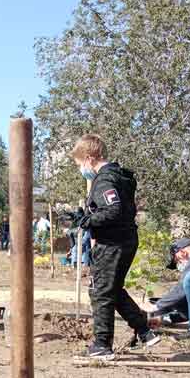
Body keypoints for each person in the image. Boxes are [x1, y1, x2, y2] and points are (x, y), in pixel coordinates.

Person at [71, 134, 159, 360]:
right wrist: (88, 214)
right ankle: (145, 331)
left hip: (113, 243)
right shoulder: (119, 176)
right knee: (113, 290)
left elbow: (113, 210)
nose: (81, 169)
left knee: (100, 291)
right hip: (126, 239)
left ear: (89, 158)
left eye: (80, 164)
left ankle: (102, 345)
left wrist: (86, 221)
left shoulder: (105, 180)